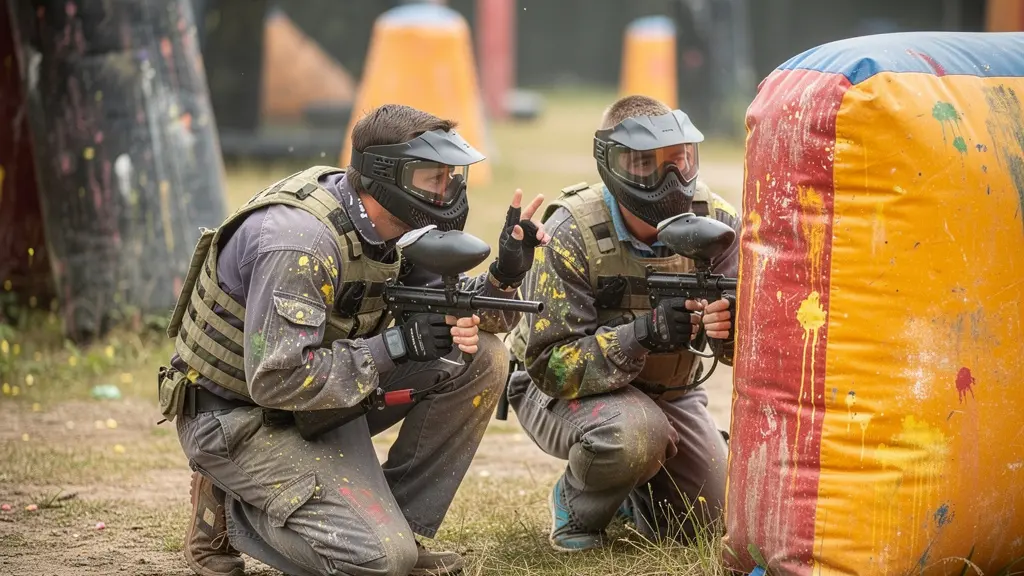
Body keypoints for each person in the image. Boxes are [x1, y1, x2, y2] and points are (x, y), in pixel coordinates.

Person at [158, 104, 548, 576]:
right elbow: (277, 380)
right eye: (434, 178)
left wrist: (506, 274)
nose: (448, 192)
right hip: (236, 416)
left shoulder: (392, 229)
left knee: (483, 358)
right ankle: (233, 509)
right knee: (381, 563)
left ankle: (397, 526)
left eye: (451, 177)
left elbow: (461, 319)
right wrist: (397, 346)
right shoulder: (301, 242)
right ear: (388, 176)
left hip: (316, 405)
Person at [506, 94, 739, 552]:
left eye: (679, 161)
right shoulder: (572, 232)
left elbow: (752, 355)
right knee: (635, 436)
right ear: (611, 165)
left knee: (710, 523)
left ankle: (637, 494)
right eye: (646, 165)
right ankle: (577, 507)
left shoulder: (720, 226)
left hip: (670, 393)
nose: (669, 178)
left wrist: (729, 329)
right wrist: (643, 334)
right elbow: (550, 366)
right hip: (561, 394)